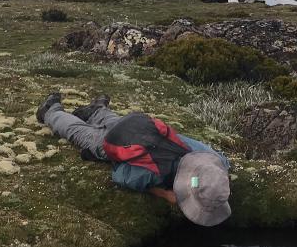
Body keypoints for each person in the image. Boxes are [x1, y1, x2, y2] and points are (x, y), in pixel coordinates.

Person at [36, 92, 232, 226]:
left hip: (139, 124)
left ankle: (97, 110)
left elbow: (221, 165)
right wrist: (164, 194)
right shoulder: (153, 174)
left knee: (117, 124)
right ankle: (51, 110)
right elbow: (120, 177)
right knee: (80, 133)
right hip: (120, 142)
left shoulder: (213, 159)